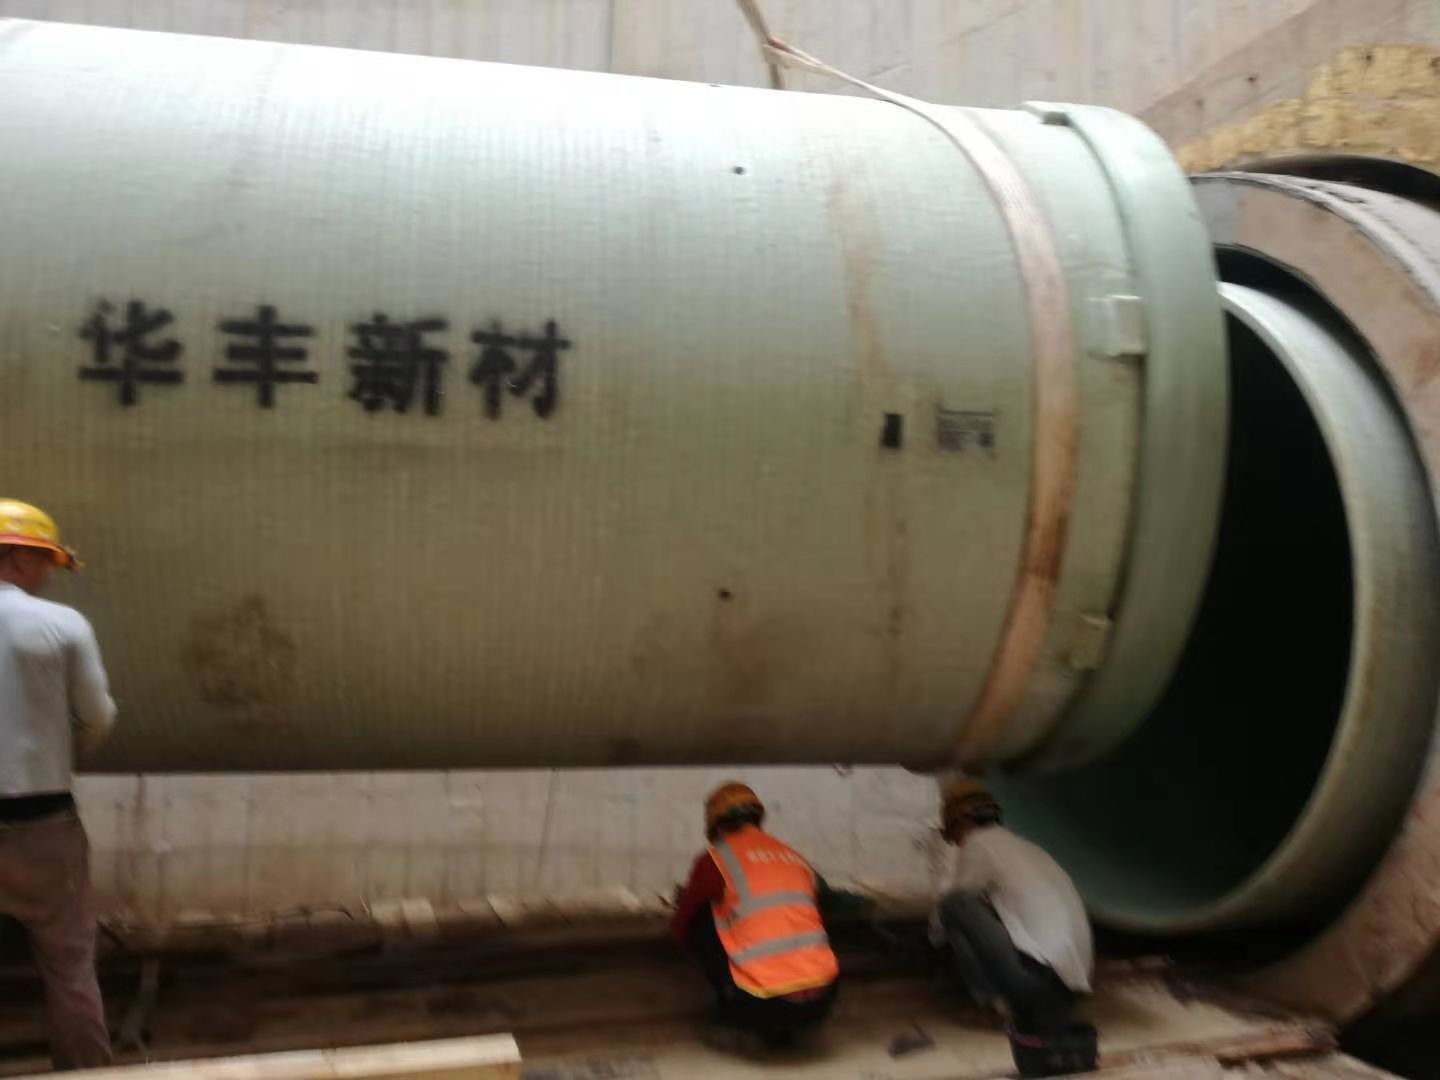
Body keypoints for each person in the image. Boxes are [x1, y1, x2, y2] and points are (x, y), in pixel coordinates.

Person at [0, 499, 116, 1070]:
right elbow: (97, 716)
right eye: (46, 559)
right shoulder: (63, 625)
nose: (49, 572)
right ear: (17, 556)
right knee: (69, 964)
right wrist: (66, 754)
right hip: (42, 825)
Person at [670, 781, 839, 1050]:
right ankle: (797, 1026)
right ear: (757, 819)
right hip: (824, 997)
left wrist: (679, 948)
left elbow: (683, 922)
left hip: (760, 1003)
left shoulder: (715, 859)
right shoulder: (793, 856)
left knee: (702, 918)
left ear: (715, 826)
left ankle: (735, 1017)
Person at [930, 777, 1092, 1035]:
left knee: (954, 905)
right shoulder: (1026, 847)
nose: (957, 843)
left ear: (961, 823)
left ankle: (991, 1007)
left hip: (1037, 986)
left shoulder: (979, 843)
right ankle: (1007, 1002)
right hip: (1069, 987)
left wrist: (934, 936)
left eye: (954, 834)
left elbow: (956, 899)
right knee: (974, 909)